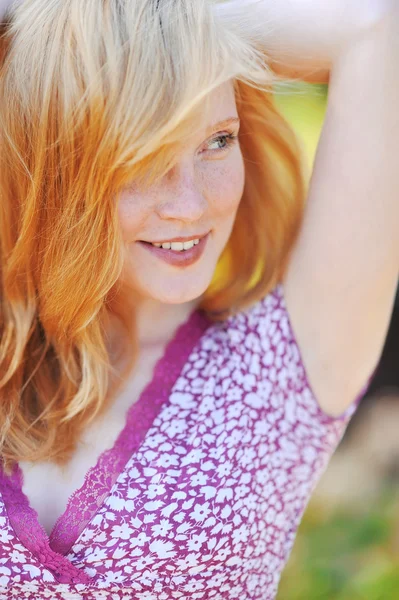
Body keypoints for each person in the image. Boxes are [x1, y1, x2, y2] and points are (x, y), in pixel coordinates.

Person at [0, 0, 397, 598]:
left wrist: (165, 22)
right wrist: (68, 37)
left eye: (216, 140)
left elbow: (374, 29)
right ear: (63, 162)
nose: (190, 204)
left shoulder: (286, 352)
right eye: (141, 156)